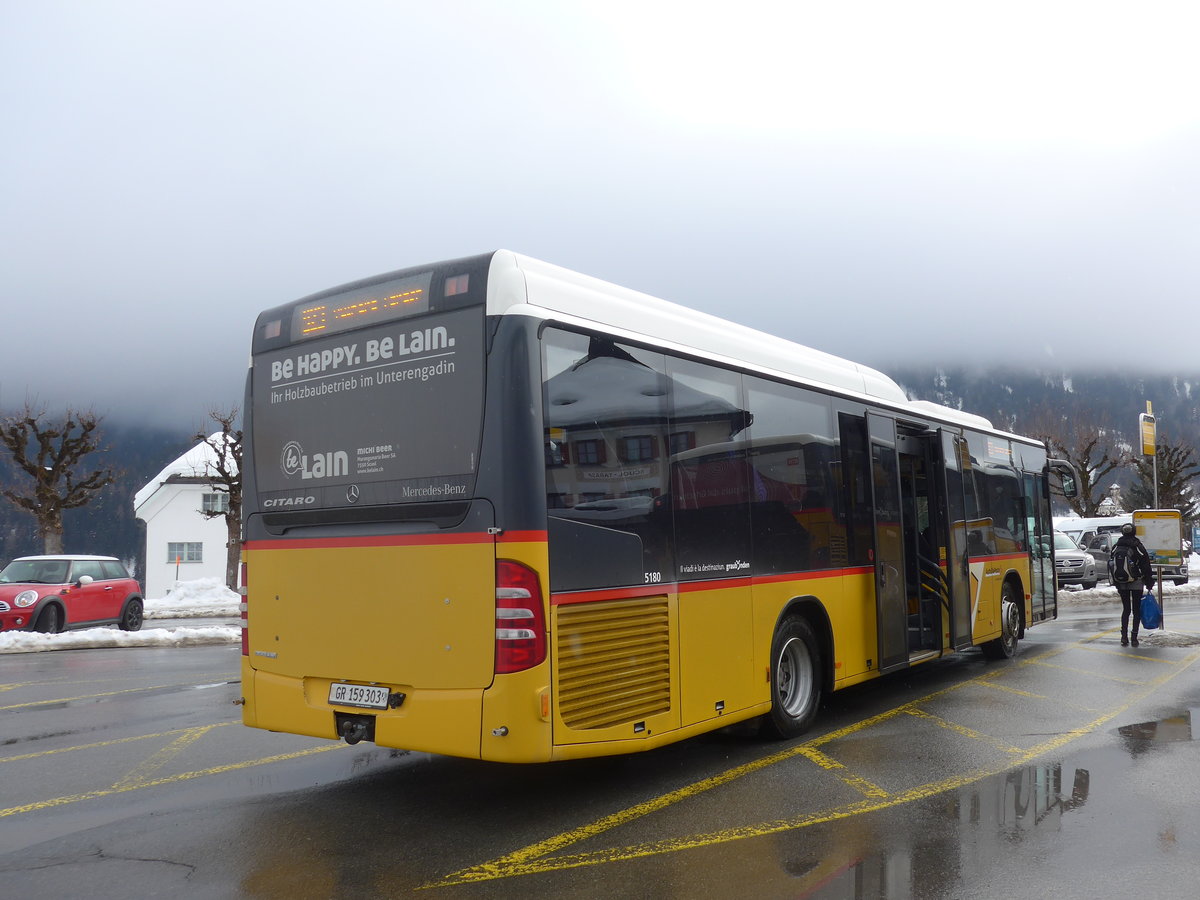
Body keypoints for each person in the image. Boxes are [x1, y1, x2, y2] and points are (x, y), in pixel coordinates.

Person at [1108, 523, 1155, 646]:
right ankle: (1134, 637)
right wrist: (1149, 581)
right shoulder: (1137, 546)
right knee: (1136, 610)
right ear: (1134, 532)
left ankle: (1124, 637)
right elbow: (1145, 564)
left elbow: (1112, 563)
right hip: (1136, 581)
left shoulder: (1116, 546)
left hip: (1121, 582)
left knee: (1126, 609)